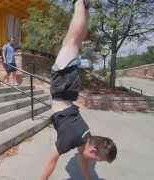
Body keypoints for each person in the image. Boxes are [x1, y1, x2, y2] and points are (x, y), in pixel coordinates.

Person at [41, 1, 117, 180]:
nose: (95, 161)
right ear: (93, 149)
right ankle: (80, 3)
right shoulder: (73, 138)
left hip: (67, 92)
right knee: (73, 41)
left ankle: (85, 7)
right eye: (99, 159)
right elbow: (51, 160)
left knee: (74, 40)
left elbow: (84, 160)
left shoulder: (88, 137)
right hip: (63, 88)